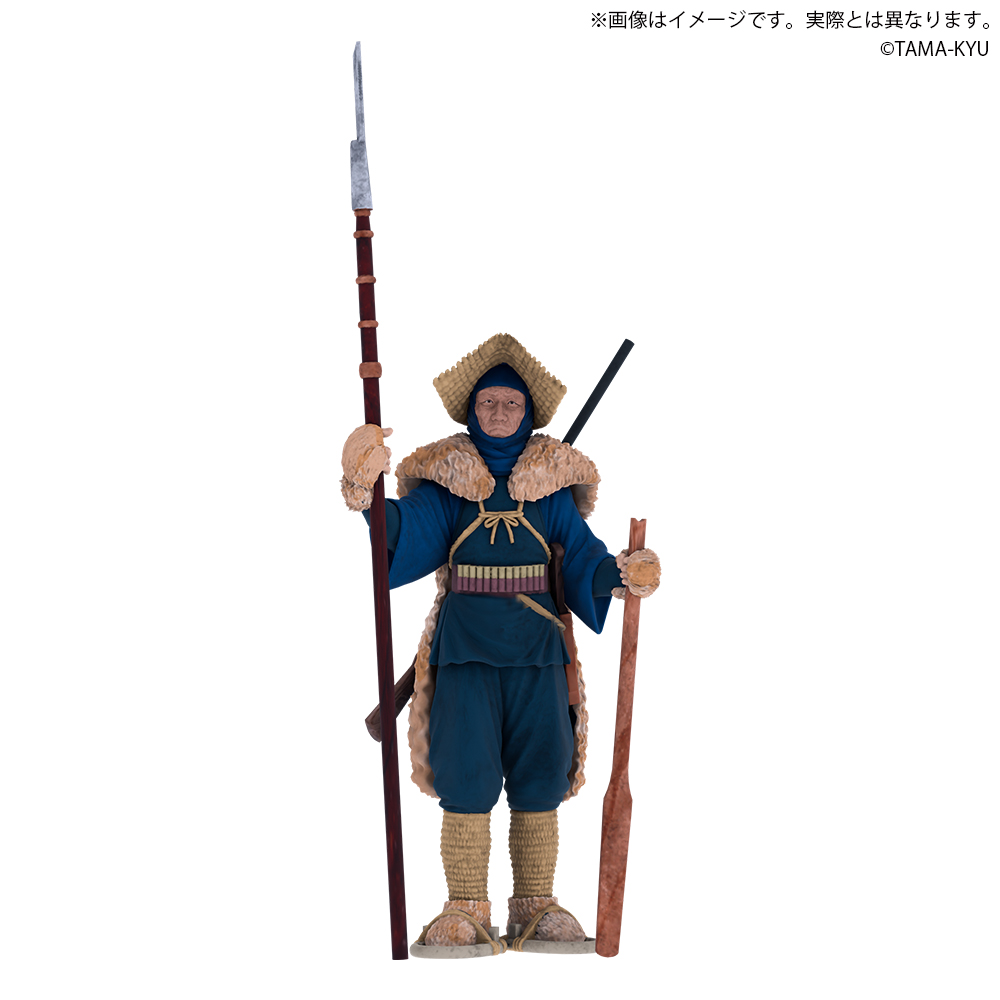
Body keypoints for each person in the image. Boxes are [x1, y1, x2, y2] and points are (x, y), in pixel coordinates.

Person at [342, 335, 660, 956]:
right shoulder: (449, 484)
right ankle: (466, 906)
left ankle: (535, 905)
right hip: (465, 651)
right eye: (488, 402)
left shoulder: (552, 489)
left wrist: (621, 574)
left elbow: (584, 559)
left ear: (528, 413)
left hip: (539, 651)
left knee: (543, 766)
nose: (498, 412)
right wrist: (366, 491)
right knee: (465, 765)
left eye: (510, 403)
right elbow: (400, 532)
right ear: (471, 410)